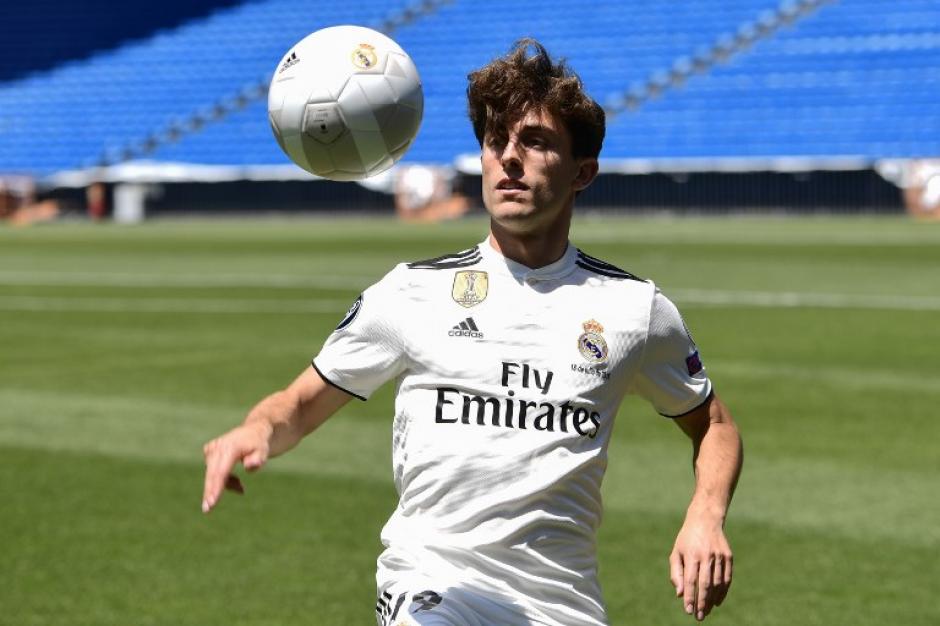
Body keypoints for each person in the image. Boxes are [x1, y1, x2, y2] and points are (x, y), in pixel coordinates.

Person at [202, 39, 742, 625]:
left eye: (534, 141)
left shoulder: (635, 309)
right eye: (495, 140)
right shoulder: (410, 292)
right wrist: (256, 429)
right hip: (433, 587)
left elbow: (713, 425)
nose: (509, 157)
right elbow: (300, 403)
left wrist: (706, 515)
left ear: (582, 172)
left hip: (564, 606)